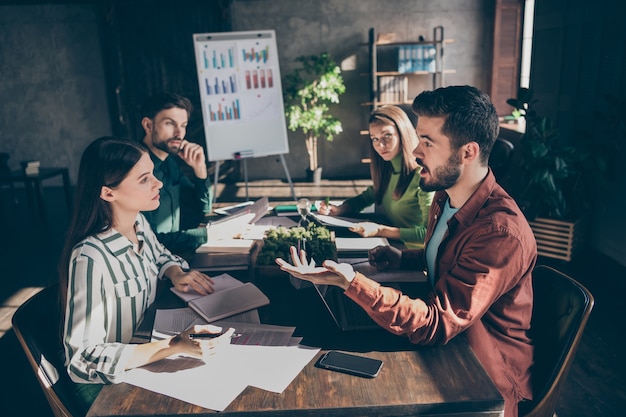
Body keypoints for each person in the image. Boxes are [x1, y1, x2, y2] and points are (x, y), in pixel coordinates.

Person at [277, 86, 536, 417]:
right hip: (449, 350)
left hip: (482, 383)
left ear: (468, 152)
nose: (415, 150)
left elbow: (434, 324)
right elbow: (451, 262)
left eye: (427, 141)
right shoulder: (446, 196)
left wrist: (351, 282)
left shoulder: (500, 234)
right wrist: (404, 257)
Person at [58, 137, 234, 412]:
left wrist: (175, 272)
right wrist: (173, 345)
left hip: (145, 352)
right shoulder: (90, 257)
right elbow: (82, 359)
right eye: (144, 179)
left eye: (152, 173)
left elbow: (160, 254)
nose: (158, 183)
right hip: (106, 386)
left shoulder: (138, 222)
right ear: (108, 193)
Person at [317, 105, 433, 248]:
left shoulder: (422, 175)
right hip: (393, 249)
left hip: (416, 260)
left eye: (387, 136)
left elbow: (429, 234)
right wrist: (341, 209)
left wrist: (380, 230)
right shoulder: (388, 170)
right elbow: (366, 198)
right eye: (375, 139)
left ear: (403, 133)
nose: (380, 145)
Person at [140, 92, 213, 256]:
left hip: (174, 259)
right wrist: (210, 236)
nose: (179, 133)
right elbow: (150, 241)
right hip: (154, 268)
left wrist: (200, 168)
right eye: (169, 124)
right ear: (148, 125)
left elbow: (203, 208)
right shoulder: (135, 170)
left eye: (183, 125)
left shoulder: (169, 162)